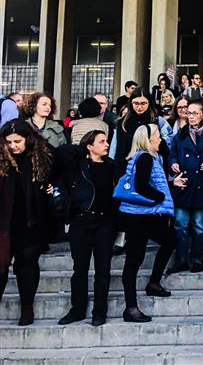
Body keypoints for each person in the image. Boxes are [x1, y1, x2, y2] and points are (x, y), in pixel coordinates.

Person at [118, 124, 182, 322]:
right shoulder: (145, 157)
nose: (160, 139)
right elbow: (142, 186)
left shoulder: (147, 157)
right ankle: (130, 307)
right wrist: (161, 196)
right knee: (134, 260)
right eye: (157, 136)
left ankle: (153, 283)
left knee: (170, 240)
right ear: (147, 139)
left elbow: (148, 183)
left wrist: (171, 184)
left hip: (147, 215)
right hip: (139, 216)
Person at [56, 130, 117, 327]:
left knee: (103, 269)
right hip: (80, 221)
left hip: (105, 222)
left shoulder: (112, 166)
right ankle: (77, 309)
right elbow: (62, 151)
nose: (106, 144)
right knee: (79, 269)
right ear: (90, 146)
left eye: (106, 141)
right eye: (101, 141)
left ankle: (99, 312)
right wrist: (83, 150)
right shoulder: (77, 165)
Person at [0, 120, 54, 326]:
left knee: (27, 265)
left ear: (28, 139)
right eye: (8, 142)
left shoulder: (41, 157)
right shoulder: (2, 159)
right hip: (4, 223)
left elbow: (62, 168)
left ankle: (27, 308)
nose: (13, 146)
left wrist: (52, 187)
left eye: (17, 141)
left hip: (31, 221)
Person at [166, 99, 203, 274]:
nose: (191, 116)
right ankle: (181, 260)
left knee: (199, 226)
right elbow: (172, 154)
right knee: (180, 224)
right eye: (189, 113)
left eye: (195, 113)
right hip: (184, 184)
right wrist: (173, 163)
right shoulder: (180, 135)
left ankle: (197, 260)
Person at [111, 89, 173, 174]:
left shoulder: (158, 121)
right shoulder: (123, 123)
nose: (139, 107)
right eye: (136, 103)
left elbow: (170, 142)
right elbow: (119, 150)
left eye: (143, 103)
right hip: (128, 169)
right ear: (131, 103)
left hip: (154, 169)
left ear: (149, 103)